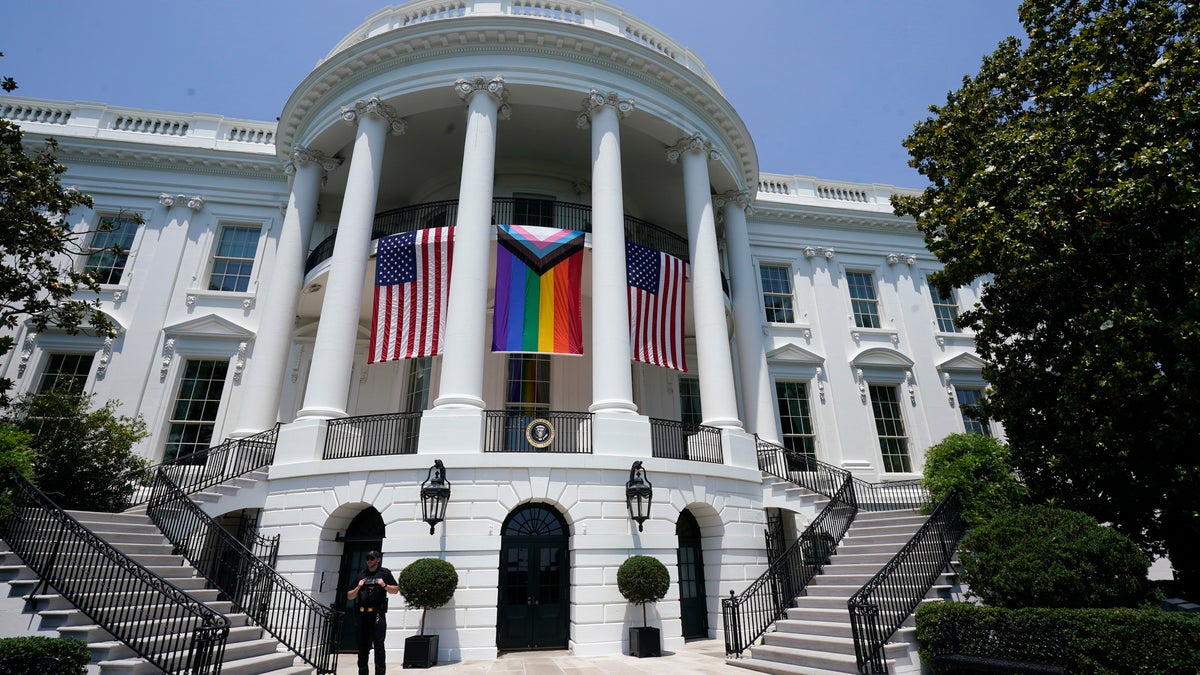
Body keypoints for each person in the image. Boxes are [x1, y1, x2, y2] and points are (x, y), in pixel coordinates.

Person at [346, 550, 398, 675]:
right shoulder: (361, 574)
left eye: (372, 558)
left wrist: (384, 585)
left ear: (378, 559)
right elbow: (349, 596)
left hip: (377, 614)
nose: (369, 560)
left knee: (379, 646)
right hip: (362, 615)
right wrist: (358, 587)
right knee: (362, 647)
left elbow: (395, 590)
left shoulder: (384, 573)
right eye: (367, 558)